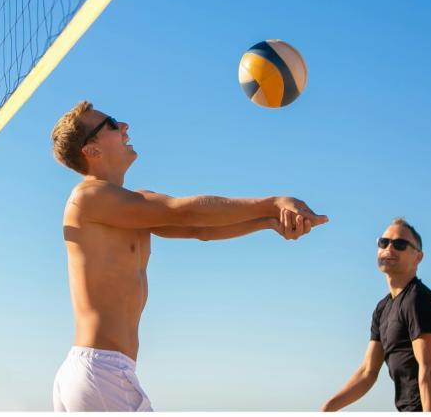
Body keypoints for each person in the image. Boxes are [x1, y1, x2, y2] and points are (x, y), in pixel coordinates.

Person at [49, 101, 329, 411]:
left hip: (100, 372)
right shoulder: (87, 197)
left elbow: (198, 228)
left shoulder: (131, 203)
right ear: (91, 150)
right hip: (101, 372)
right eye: (113, 124)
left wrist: (271, 221)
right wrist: (273, 203)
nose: (125, 126)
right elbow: (185, 212)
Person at [321, 218, 431, 412]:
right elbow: (368, 372)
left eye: (400, 244)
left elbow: (429, 369)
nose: (389, 248)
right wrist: (327, 408)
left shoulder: (418, 299)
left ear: (418, 257)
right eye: (383, 242)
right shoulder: (382, 309)